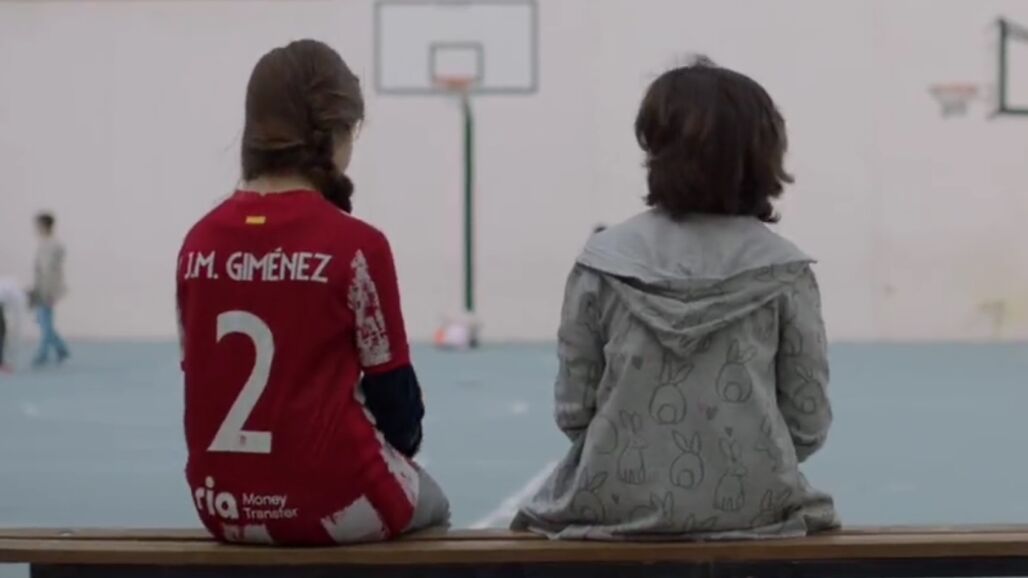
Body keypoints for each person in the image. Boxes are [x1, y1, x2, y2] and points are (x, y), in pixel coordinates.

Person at [512, 57, 837, 540]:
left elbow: (574, 410)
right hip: (756, 511)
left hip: (614, 506)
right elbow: (807, 421)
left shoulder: (602, 263)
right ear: (764, 155)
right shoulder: (785, 272)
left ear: (656, 151)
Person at [176, 40, 449, 546]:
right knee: (435, 503)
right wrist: (401, 449)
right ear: (338, 133)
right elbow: (397, 405)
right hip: (338, 502)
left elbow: (201, 379)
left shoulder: (198, 244)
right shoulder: (357, 245)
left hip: (222, 505)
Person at [31, 212, 69, 367]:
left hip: (48, 290)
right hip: (42, 289)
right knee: (43, 321)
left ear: (45, 225)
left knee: (45, 323)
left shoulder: (53, 245)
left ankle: (43, 353)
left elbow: (51, 272)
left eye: (38, 225)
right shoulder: (44, 244)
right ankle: (61, 348)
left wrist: (50, 292)